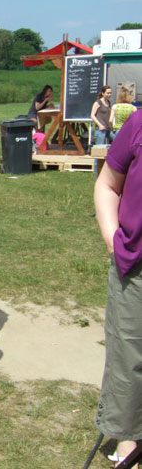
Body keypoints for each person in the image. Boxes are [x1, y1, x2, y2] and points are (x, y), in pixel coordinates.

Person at [94, 109, 142, 466]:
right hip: (136, 266)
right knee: (129, 357)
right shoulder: (139, 124)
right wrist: (114, 240)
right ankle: (128, 441)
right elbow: (108, 184)